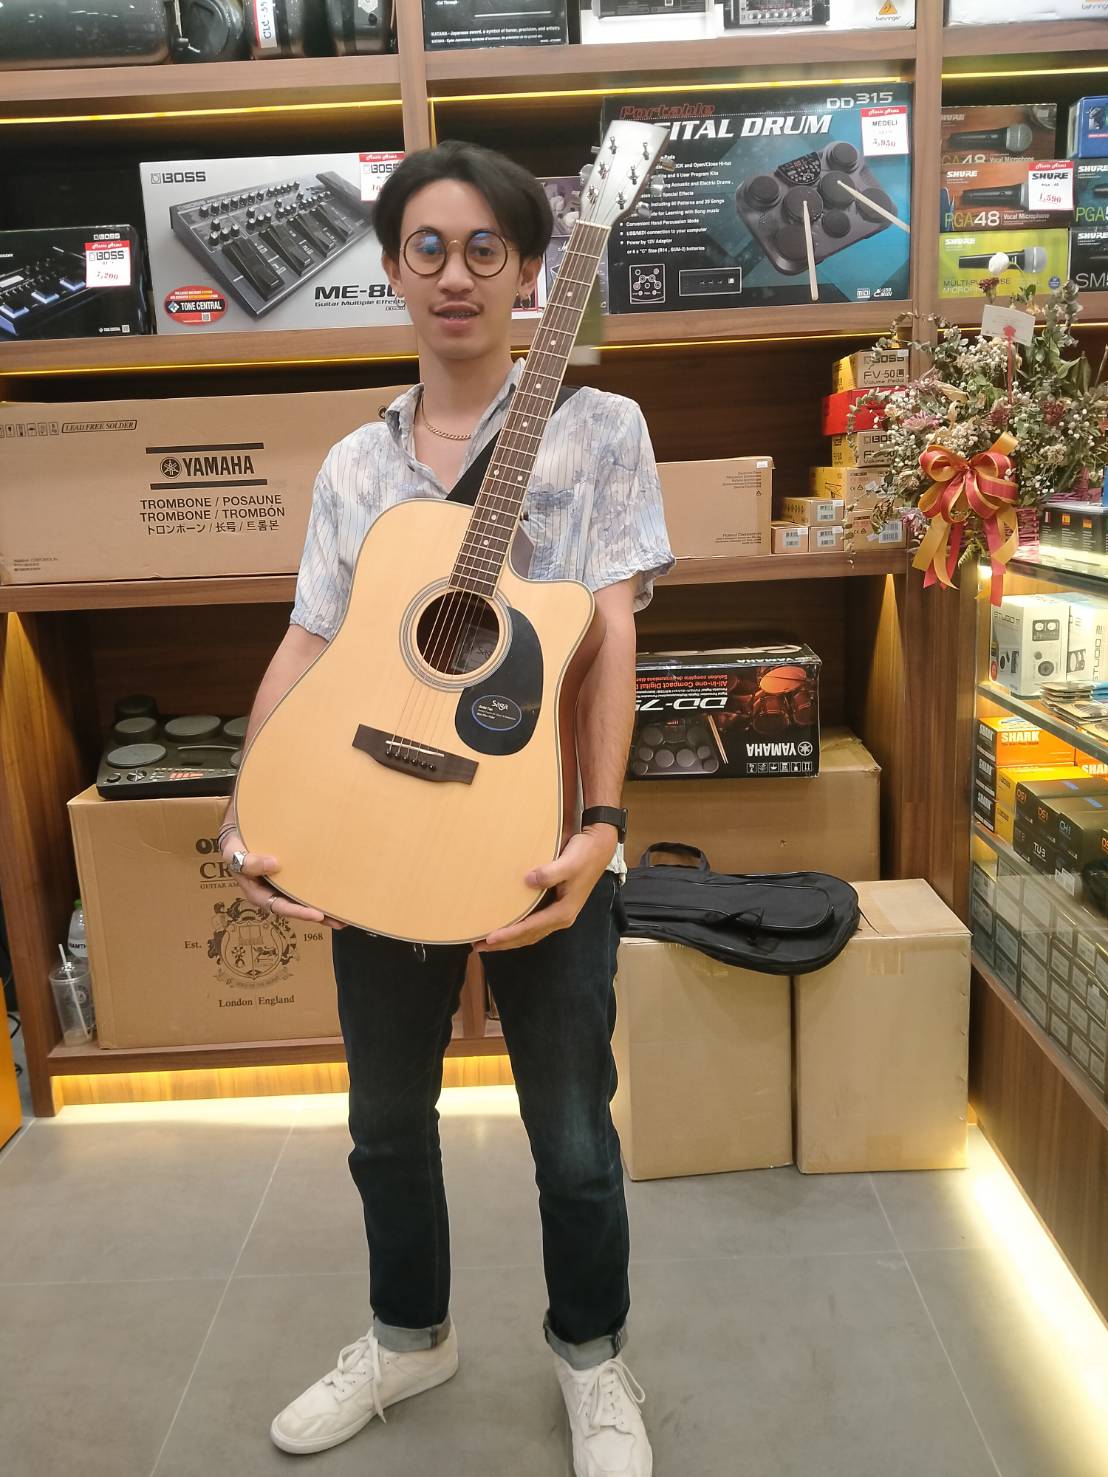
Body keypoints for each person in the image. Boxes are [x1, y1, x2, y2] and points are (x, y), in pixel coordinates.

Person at [218, 139, 674, 1477]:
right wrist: (249, 806)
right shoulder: (357, 468)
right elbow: (309, 642)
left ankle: (591, 1357)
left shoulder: (601, 430)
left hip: (539, 836)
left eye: (486, 248)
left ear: (534, 272)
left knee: (574, 1137)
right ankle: (407, 1335)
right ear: (393, 269)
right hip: (374, 823)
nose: (456, 275)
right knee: (382, 1125)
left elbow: (609, 635)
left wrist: (600, 825)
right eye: (429, 247)